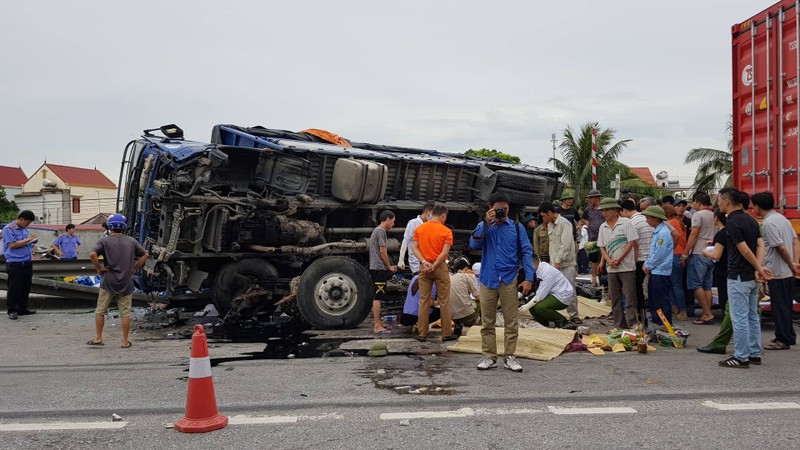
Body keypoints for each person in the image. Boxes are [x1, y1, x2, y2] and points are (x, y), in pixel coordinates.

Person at [469, 191, 534, 373]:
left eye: (504, 209)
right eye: (498, 209)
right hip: (488, 278)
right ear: (491, 208)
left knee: (511, 321)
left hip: (509, 279)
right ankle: (489, 356)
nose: (501, 212)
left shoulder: (516, 227)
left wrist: (529, 277)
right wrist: (485, 222)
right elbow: (473, 244)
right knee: (487, 321)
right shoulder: (485, 226)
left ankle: (510, 356)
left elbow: (527, 252)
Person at [717, 188, 770, 368]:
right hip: (752, 277)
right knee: (752, 316)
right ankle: (754, 353)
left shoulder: (731, 222)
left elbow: (744, 249)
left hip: (739, 275)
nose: (718, 204)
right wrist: (759, 268)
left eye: (719, 200)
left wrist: (758, 268)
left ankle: (741, 357)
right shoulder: (752, 220)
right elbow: (760, 245)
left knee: (738, 317)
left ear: (726, 202)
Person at [87, 213, 149, 348]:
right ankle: (125, 341)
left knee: (100, 310)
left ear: (109, 227)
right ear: (124, 227)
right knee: (125, 313)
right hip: (126, 281)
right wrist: (135, 268)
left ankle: (98, 338)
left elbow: (92, 254)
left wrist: (99, 269)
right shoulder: (131, 241)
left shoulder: (104, 240)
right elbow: (145, 255)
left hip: (108, 280)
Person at [751, 191, 799, 351]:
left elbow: (781, 247)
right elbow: (795, 241)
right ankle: (788, 336)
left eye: (754, 206)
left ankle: (782, 339)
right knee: (785, 305)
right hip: (786, 270)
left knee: (779, 307)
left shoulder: (768, 223)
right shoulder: (782, 218)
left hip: (776, 271)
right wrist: (794, 263)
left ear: (758, 206)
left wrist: (791, 265)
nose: (753, 209)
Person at [412, 205, 454, 342]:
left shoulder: (420, 228)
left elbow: (414, 248)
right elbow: (444, 252)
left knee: (423, 301)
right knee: (444, 301)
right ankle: (446, 333)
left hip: (424, 267)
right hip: (440, 267)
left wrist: (424, 262)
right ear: (443, 215)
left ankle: (422, 333)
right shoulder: (446, 231)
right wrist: (435, 265)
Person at [597, 197, 639, 328]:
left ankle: (633, 324)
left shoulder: (625, 223)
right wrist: (608, 260)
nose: (604, 213)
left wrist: (619, 259)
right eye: (603, 210)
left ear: (615, 210)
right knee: (615, 299)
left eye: (607, 210)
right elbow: (602, 246)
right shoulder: (603, 226)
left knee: (630, 297)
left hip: (626, 266)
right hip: (611, 268)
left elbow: (631, 242)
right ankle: (619, 325)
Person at [697, 209, 734, 355]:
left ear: (716, 218)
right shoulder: (730, 232)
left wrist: (705, 251)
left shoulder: (721, 234)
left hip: (723, 272)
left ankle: (727, 334)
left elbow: (716, 255)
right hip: (731, 270)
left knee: (727, 306)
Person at [539, 201, 579, 324]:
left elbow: (565, 245)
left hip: (566, 264)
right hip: (554, 264)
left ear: (550, 212)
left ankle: (574, 315)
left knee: (569, 289)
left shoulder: (565, 224)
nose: (543, 218)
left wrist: (558, 261)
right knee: (554, 289)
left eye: (544, 215)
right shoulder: (550, 225)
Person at [682, 192, 716, 325]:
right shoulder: (715, 214)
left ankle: (707, 313)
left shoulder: (698, 215)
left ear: (698, 203)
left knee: (696, 284)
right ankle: (708, 312)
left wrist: (685, 253)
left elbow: (694, 234)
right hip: (712, 253)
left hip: (699, 253)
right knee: (707, 285)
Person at [518, 257, 576, 329]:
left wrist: (526, 306)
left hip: (562, 295)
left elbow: (540, 295)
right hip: (551, 293)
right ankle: (542, 322)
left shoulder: (546, 271)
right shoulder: (537, 268)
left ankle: (562, 321)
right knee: (532, 304)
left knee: (539, 307)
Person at [621, 199, 653, 326]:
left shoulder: (631, 223)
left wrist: (632, 262)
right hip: (651, 259)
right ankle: (646, 317)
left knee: (638, 291)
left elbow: (635, 244)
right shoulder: (645, 218)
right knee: (648, 290)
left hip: (639, 260)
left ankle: (641, 319)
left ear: (624, 211)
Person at [2, 210, 38, 320]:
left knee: (25, 286)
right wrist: (28, 239)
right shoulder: (8, 229)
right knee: (14, 287)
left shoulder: (24, 230)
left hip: (27, 261)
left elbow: (26, 243)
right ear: (21, 219)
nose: (28, 225)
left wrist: (33, 241)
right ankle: (12, 310)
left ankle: (22, 308)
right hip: (15, 262)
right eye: (27, 222)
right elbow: (12, 245)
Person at [641, 206, 673, 325]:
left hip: (661, 272)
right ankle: (659, 324)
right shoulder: (659, 232)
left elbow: (659, 253)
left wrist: (648, 264)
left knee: (660, 301)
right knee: (655, 300)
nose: (647, 220)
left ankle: (663, 325)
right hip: (657, 271)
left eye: (648, 218)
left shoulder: (663, 233)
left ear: (655, 218)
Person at [368, 210, 397, 334]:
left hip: (376, 267)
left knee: (378, 296)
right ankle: (377, 326)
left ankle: (379, 324)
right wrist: (389, 266)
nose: (393, 224)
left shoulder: (377, 230)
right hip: (378, 268)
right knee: (378, 297)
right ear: (388, 219)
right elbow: (382, 251)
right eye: (393, 221)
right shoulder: (381, 231)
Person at [664, 204, 688, 320]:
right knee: (676, 284)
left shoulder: (670, 223)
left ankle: (681, 310)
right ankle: (678, 309)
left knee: (675, 285)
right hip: (680, 254)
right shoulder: (679, 222)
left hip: (674, 254)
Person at [398, 202, 435, 274]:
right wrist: (401, 259)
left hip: (428, 262)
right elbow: (406, 241)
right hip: (416, 263)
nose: (433, 217)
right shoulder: (413, 223)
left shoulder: (430, 225)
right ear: (427, 212)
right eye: (432, 214)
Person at [448, 258, 481, 336]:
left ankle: (458, 324)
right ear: (466, 269)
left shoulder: (449, 278)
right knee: (482, 303)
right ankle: (481, 324)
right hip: (468, 316)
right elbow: (478, 297)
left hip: (452, 316)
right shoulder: (468, 277)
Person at [581, 189, 605, 286]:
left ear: (597, 198)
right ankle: (594, 278)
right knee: (593, 259)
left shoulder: (603, 208)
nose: (590, 200)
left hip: (603, 237)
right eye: (589, 198)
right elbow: (583, 218)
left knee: (604, 257)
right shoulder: (588, 210)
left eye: (591, 198)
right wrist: (589, 225)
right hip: (592, 237)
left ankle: (603, 278)